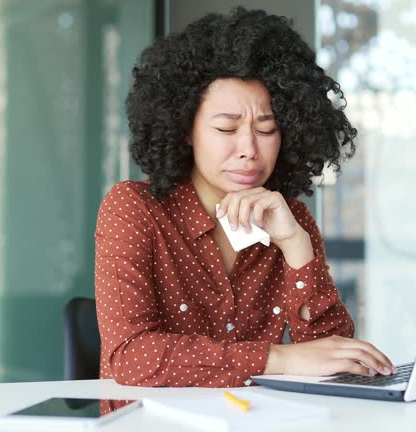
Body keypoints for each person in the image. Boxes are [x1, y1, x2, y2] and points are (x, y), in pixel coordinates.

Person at [94, 7, 395, 388]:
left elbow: (332, 358)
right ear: (186, 129)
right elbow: (132, 357)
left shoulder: (291, 219)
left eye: (266, 130)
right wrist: (279, 358)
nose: (249, 149)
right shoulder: (134, 209)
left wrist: (296, 245)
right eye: (226, 127)